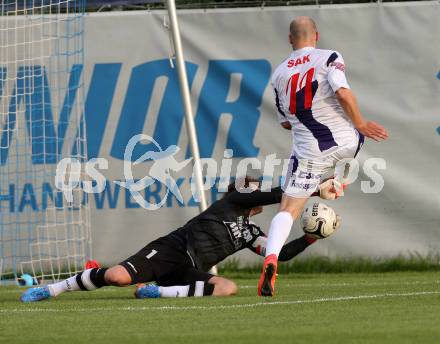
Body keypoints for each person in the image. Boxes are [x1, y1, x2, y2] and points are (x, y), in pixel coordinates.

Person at [20, 178, 335, 302]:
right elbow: (276, 193)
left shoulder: (250, 233)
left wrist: (310, 238)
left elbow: (279, 254)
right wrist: (313, 187)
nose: (256, 192)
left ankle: (159, 292)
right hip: (171, 250)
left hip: (188, 269)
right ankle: (51, 289)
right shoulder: (231, 201)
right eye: (252, 188)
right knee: (116, 276)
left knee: (227, 287)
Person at [258, 16, 388, 297]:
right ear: (315, 36)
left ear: (290, 39)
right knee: (356, 138)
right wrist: (361, 122)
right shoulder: (329, 56)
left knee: (287, 211)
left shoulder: (279, 74)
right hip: (346, 142)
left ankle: (271, 260)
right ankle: (336, 183)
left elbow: (285, 122)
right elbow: (342, 92)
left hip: (309, 153)